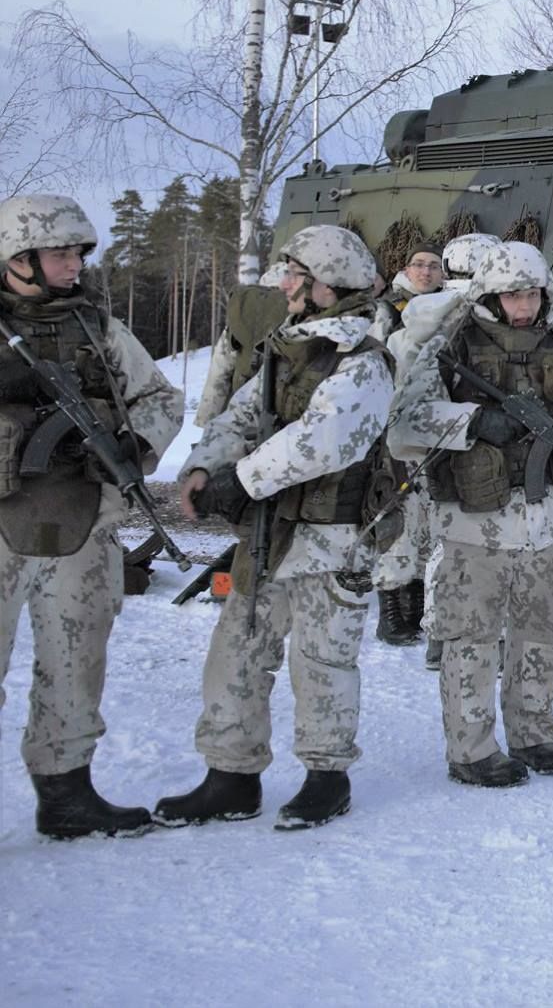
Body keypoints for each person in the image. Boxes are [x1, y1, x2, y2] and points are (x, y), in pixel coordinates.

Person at [157, 225, 395, 830]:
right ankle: (231, 776)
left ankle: (326, 776)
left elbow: (326, 441)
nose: (284, 285)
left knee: (322, 662)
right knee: (236, 651)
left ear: (326, 285)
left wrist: (242, 480)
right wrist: (204, 464)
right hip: (268, 531)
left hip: (330, 535)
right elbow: (243, 413)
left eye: (296, 275)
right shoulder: (284, 346)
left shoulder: (362, 357)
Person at [388, 240, 553, 788]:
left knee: (542, 632)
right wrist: (471, 421)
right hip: (476, 524)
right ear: (490, 294)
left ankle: (534, 734)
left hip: (552, 519)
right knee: (470, 636)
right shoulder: (451, 344)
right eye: (513, 294)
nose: (524, 305)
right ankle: (471, 750)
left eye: (533, 293)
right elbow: (403, 424)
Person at [0, 195, 182, 838]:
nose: (74, 263)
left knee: (77, 664)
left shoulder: (99, 329)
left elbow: (159, 396)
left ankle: (66, 795)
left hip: (83, 521)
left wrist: (137, 445)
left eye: (79, 252)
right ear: (18, 259)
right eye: (60, 252)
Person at [391, 232, 500, 673]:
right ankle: (470, 634)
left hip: (427, 450)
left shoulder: (415, 322)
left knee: (444, 545)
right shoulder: (476, 320)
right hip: (479, 447)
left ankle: (439, 633)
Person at [370, 245, 446, 644]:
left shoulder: (452, 310)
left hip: (438, 430)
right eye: (419, 265)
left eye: (434, 266)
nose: (426, 271)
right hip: (395, 427)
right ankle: (389, 612)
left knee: (429, 520)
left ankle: (415, 606)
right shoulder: (388, 312)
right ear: (406, 270)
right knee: (397, 518)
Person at [195, 261, 290, 427]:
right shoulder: (297, 313)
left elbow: (219, 371)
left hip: (240, 410)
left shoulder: (242, 316)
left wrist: (207, 420)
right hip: (284, 412)